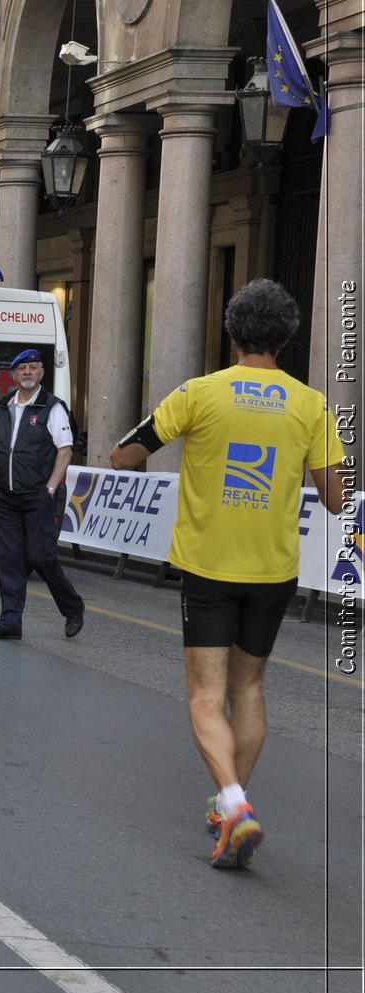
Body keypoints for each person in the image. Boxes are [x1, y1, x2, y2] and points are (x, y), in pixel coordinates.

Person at [112, 278, 347, 869]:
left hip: (209, 567)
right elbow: (338, 499)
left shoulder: (199, 392)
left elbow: (124, 455)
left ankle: (236, 805)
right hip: (273, 570)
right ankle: (228, 809)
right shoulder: (313, 404)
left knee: (205, 696)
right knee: (249, 690)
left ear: (232, 332)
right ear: (287, 338)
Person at [0, 348, 85, 641]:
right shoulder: (2, 407)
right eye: (22, 368)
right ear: (13, 375)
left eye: (34, 368)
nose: (28, 372)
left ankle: (73, 607)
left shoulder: (52, 407)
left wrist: (50, 489)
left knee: (41, 557)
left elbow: (65, 450)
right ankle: (9, 622)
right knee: (8, 559)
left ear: (41, 374)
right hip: (5, 497)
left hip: (38, 495)